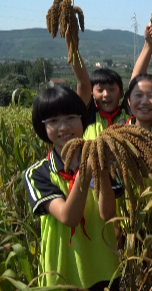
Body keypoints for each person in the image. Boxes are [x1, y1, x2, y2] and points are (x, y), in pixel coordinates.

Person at [23, 86, 121, 290]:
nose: (63, 126)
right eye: (53, 121)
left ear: (82, 119)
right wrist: (86, 170)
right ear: (42, 127)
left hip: (104, 267)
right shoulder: (38, 173)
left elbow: (108, 214)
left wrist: (102, 171)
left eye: (70, 117)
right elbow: (69, 218)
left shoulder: (103, 159)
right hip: (62, 272)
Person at [65, 25, 129, 140]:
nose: (106, 94)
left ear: (121, 93)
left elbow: (136, 79)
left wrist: (149, 45)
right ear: (92, 94)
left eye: (112, 89)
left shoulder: (127, 114)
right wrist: (72, 45)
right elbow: (83, 83)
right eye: (100, 90)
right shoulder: (89, 115)